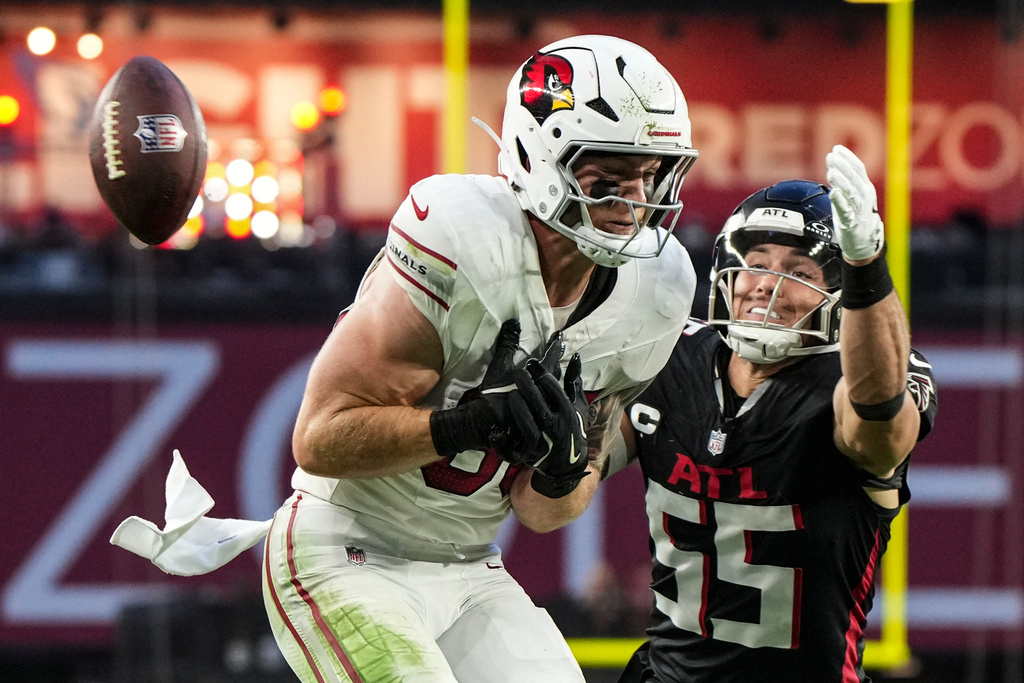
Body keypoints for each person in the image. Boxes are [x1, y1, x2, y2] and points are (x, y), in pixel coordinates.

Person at [110, 34, 699, 683]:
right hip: (344, 549)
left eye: (650, 174)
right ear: (542, 158)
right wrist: (464, 424)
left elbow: (542, 510)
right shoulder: (464, 242)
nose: (635, 200)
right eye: (608, 177)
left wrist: (563, 471)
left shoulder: (657, 290)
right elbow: (319, 440)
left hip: (472, 565)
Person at [613, 146, 938, 683]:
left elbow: (879, 427)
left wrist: (866, 264)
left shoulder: (861, 378)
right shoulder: (669, 355)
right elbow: (559, 492)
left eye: (799, 271)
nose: (767, 282)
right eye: (756, 264)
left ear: (839, 295)